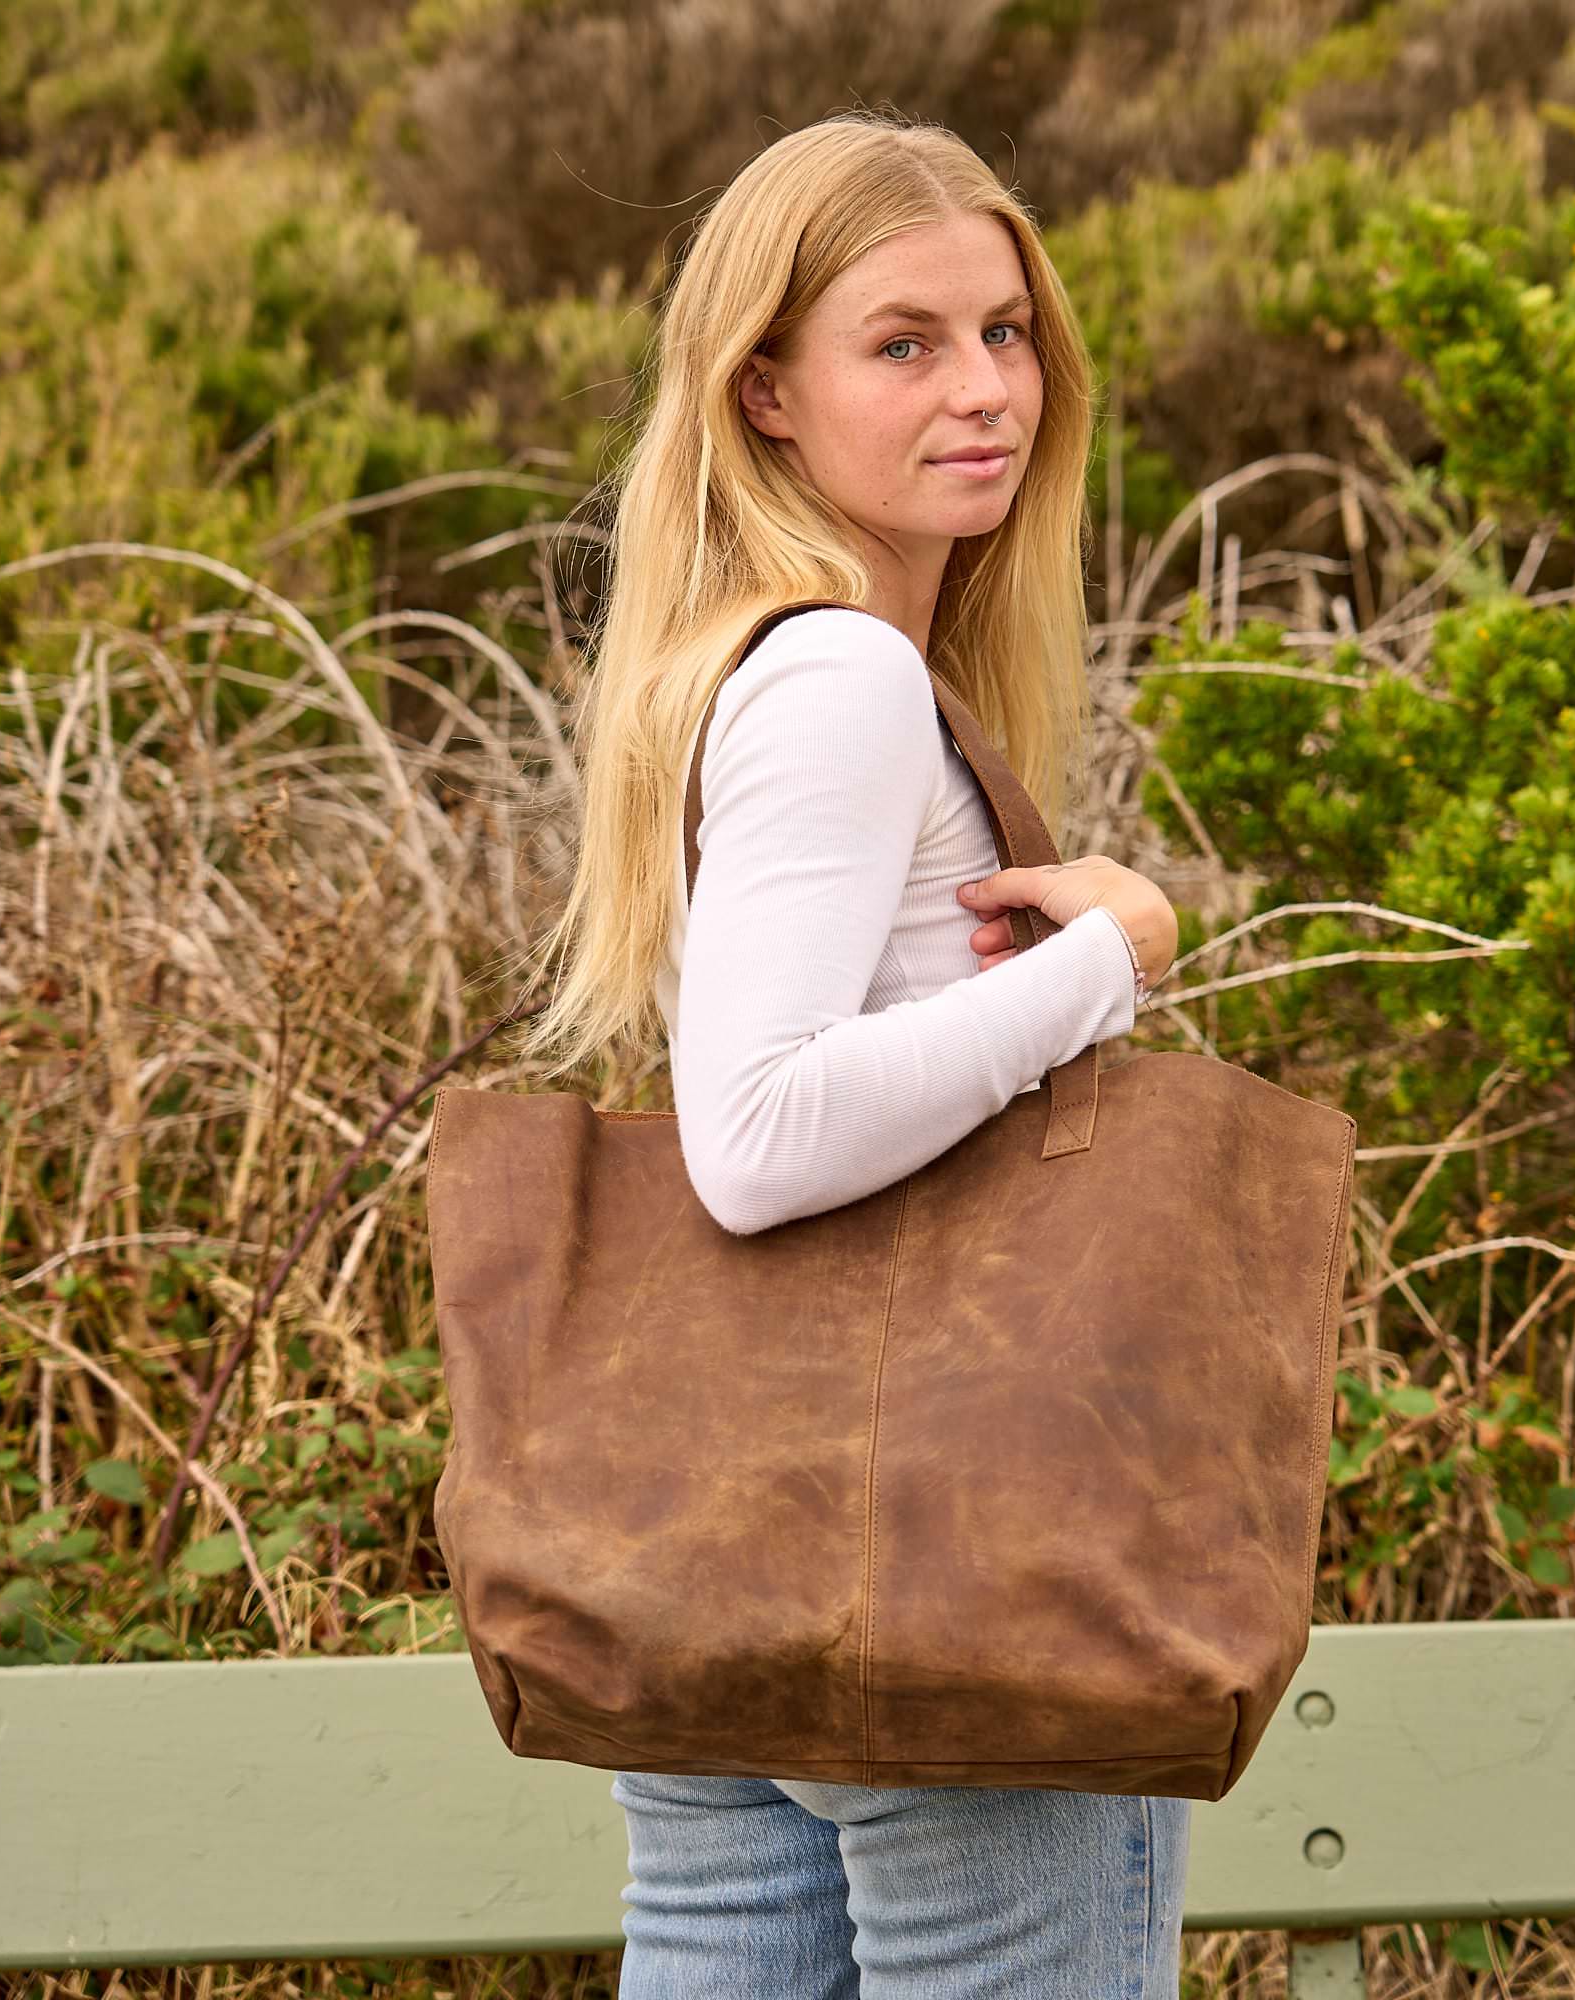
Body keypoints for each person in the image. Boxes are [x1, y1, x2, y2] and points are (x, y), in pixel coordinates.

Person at [510, 105, 1187, 1998]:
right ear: (769, 396)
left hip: (740, 1545)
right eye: (904, 344)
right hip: (955, 1558)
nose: (987, 390)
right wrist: (1108, 960)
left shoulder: (762, 659)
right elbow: (756, 1130)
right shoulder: (840, 673)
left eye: (1007, 332)